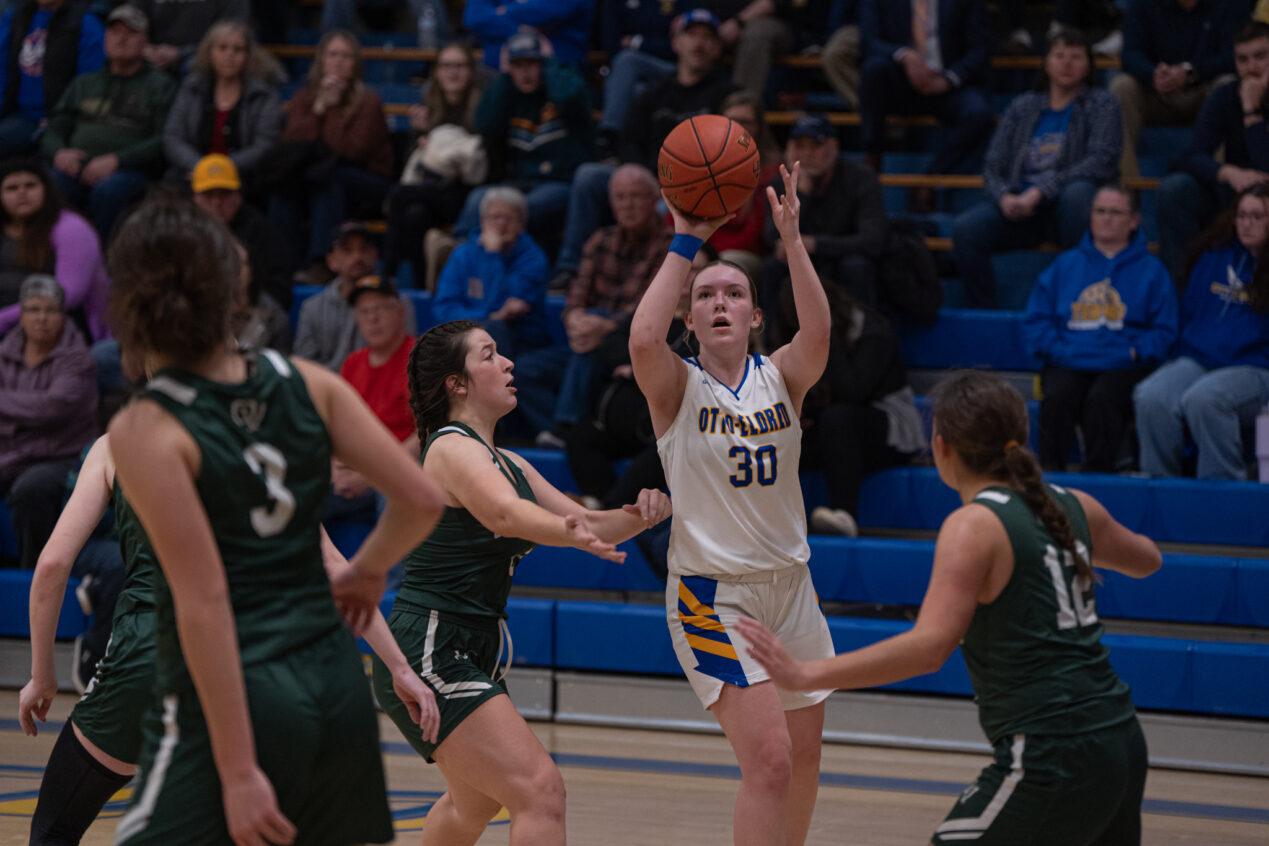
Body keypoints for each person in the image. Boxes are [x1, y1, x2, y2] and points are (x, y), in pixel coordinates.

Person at [103, 195, 446, 845]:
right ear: (231, 284)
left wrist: (236, 771)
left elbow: (204, 601)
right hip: (331, 683)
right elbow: (421, 500)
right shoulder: (308, 381)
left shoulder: (146, 427)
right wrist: (369, 572)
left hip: (236, 691)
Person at [738, 369, 1163, 846]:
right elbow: (1148, 560)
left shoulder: (973, 526)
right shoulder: (1072, 504)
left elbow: (928, 648)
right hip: (1122, 740)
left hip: (1052, 749)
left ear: (941, 448)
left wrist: (806, 675)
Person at [370, 318, 671, 844]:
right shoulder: (449, 447)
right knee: (539, 791)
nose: (508, 363)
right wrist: (569, 529)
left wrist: (646, 512)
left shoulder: (507, 461)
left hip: (468, 645)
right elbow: (505, 517)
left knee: (475, 801)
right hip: (431, 646)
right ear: (457, 385)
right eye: (489, 356)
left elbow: (593, 523)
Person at [628, 162, 835, 846]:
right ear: (690, 318)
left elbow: (819, 336)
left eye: (734, 293)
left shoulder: (783, 376)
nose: (719, 302)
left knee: (803, 760)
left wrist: (792, 242)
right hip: (712, 598)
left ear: (753, 314)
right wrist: (685, 242)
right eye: (706, 295)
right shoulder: (675, 387)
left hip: (791, 590)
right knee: (769, 762)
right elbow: (639, 339)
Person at [17, 434, 152, 845]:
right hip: (247, 656)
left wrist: (42, 674)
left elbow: (53, 563)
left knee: (53, 831)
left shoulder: (119, 444)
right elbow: (327, 563)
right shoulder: (257, 443)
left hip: (152, 649)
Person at [551, 8, 735, 290]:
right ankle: (569, 268)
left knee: (663, 206)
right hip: (648, 177)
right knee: (588, 176)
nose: (698, 43)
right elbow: (629, 140)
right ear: (675, 42)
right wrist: (640, 176)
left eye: (707, 37)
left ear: (718, 47)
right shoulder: (655, 91)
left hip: (690, 188)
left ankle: (654, 280)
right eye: (691, 35)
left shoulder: (725, 93)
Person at [952, 27, 1122, 308]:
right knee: (965, 229)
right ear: (1047, 62)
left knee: (1079, 193)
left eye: (1076, 57)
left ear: (1089, 65)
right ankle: (984, 311)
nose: (1067, 63)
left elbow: (1101, 161)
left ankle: (1078, 303)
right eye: (1060, 55)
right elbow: (992, 166)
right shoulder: (1023, 107)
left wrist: (1042, 191)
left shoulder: (1102, 104)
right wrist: (1005, 197)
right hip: (1022, 210)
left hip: (1068, 212)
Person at [514, 163, 672, 447]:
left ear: (654, 200)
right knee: (523, 369)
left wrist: (607, 326)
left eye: (636, 196)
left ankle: (567, 426)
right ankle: (560, 432)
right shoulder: (600, 240)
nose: (628, 204)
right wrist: (575, 317)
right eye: (620, 197)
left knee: (592, 339)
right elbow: (576, 296)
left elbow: (653, 305)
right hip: (587, 345)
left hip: (631, 347)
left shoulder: (668, 245)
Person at [1023, 184, 1178, 472]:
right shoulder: (1064, 265)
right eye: (1100, 211)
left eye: (1116, 212)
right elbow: (1036, 322)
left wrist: (1136, 352)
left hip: (1122, 364)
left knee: (1102, 400)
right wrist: (1059, 350)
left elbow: (1165, 330)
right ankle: (1046, 481)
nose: (1106, 218)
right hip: (1068, 359)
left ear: (1133, 220)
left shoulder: (1153, 271)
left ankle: (1099, 482)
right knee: (1057, 397)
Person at [1133, 184, 1269, 479]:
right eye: (1242, 215)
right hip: (1199, 359)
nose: (1246, 224)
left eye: (1257, 216)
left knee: (1205, 399)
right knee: (1150, 395)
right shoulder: (1213, 257)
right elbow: (1191, 312)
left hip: (1255, 367)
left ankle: (1220, 491)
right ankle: (1160, 487)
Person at [774, 283, 925, 538]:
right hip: (838, 431)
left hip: (891, 431)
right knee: (784, 436)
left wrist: (824, 333)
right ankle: (761, 518)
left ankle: (844, 514)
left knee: (838, 418)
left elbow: (853, 391)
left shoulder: (872, 330)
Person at [41, 3, 175, 239]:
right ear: (105, 39)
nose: (121, 39)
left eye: (131, 33)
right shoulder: (84, 83)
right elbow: (55, 126)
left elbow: (164, 139)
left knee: (109, 191)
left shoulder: (161, 86)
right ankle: (51, 258)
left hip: (130, 171)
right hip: (77, 166)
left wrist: (117, 161)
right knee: (49, 183)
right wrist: (60, 153)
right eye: (115, 32)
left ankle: (102, 261)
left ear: (146, 41)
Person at [268, 29, 394, 277]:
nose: (338, 61)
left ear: (355, 64)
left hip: (369, 181)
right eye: (333, 54)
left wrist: (332, 108)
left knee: (329, 176)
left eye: (346, 56)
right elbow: (292, 146)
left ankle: (321, 263)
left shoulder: (369, 100)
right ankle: (284, 264)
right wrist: (319, 107)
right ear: (322, 60)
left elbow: (349, 151)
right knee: (284, 185)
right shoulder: (304, 96)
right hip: (319, 177)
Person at [450, 32, 592, 250]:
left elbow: (568, 97)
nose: (525, 72)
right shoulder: (508, 93)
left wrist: (550, 64)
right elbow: (485, 124)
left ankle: (485, 255)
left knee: (516, 210)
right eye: (517, 65)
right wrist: (505, 77)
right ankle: (456, 253)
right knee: (478, 199)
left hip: (561, 182)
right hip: (519, 182)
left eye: (532, 63)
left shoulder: (564, 84)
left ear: (542, 64)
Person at [1157, 21, 1269, 283]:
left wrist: (1252, 111)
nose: (1251, 67)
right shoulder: (1226, 96)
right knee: (1175, 189)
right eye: (1242, 59)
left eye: (1261, 57)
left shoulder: (1245, 99)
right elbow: (1191, 154)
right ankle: (1182, 294)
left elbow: (1265, 167)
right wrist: (1227, 172)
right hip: (1234, 197)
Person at [1, 274, 96, 571]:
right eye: (33, 309)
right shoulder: (4, 353)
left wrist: (7, 415)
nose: (42, 318)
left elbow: (52, 409)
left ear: (63, 316)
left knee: (33, 487)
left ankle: (35, 576)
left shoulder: (78, 359)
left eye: (51, 310)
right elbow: (39, 411)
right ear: (21, 315)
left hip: (62, 457)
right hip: (12, 454)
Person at [858, 0, 995, 206]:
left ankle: (931, 177)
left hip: (948, 86)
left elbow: (980, 51)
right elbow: (869, 41)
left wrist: (948, 80)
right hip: (903, 83)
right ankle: (872, 157)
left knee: (979, 113)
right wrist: (904, 55)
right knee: (873, 70)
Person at [382, 40, 488, 285]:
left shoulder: (483, 109)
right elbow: (417, 162)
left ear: (471, 71)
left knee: (400, 195)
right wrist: (417, 135)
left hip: (467, 191)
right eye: (446, 65)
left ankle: (387, 275)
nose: (453, 72)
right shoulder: (430, 106)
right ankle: (423, 287)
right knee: (415, 216)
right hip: (432, 189)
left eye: (460, 66)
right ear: (437, 72)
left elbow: (483, 164)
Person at [1109, 0, 1250, 179]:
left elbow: (1233, 56)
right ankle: (1124, 192)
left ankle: (1221, 185)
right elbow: (1129, 54)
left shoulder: (1229, 5)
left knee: (1227, 84)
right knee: (1122, 86)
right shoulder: (1143, 5)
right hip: (1156, 93)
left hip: (1206, 92)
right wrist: (1152, 74)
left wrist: (1191, 72)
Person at [760, 113, 886, 309]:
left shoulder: (861, 178)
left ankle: (862, 335)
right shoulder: (779, 183)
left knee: (856, 267)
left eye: (815, 145)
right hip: (804, 261)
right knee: (773, 267)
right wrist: (801, 192)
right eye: (800, 146)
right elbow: (771, 237)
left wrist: (815, 245)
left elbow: (872, 240)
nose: (807, 153)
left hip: (843, 258)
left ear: (834, 147)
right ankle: (771, 339)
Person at [434, 186, 552, 359]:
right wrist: (487, 317)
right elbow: (444, 310)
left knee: (494, 331)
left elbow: (496, 303)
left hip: (520, 344)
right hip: (467, 338)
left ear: (521, 225)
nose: (501, 224)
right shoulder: (462, 255)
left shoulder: (533, 259)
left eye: (509, 218)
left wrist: (491, 255)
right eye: (495, 217)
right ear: (482, 221)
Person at [162, 20, 283, 188]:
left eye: (238, 49)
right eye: (222, 48)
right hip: (193, 172)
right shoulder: (192, 87)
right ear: (209, 52)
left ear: (248, 55)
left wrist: (220, 170)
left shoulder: (263, 95)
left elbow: (264, 145)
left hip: (242, 176)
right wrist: (201, 168)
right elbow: (173, 137)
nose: (230, 55)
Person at [0, 157, 109, 340]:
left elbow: (69, 294)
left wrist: (3, 320)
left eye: (30, 185)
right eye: (12, 188)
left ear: (46, 189)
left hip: (51, 329)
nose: (22, 193)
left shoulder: (71, 227)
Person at [293, 221, 418, 371]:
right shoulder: (312, 308)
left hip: (381, 389)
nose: (357, 257)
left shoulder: (397, 302)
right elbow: (303, 368)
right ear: (331, 261)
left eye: (364, 249)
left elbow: (406, 360)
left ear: (375, 255)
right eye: (347, 250)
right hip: (326, 390)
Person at [0, 0, 104, 158]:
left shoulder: (86, 23)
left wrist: (65, 123)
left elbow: (90, 84)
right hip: (21, 117)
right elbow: (2, 71)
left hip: (62, 121)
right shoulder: (15, 19)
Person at [190, 153, 292, 309]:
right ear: (195, 198)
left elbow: (280, 290)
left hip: (249, 314)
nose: (216, 203)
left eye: (224, 194)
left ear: (238, 196)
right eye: (208, 195)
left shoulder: (260, 230)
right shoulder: (186, 232)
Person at [462, 0, 593, 70]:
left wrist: (503, 12)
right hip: (498, 79)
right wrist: (527, 30)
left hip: (557, 76)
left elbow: (552, 10)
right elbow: (475, 19)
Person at [131, 0, 249, 74]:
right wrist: (145, 47)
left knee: (194, 65)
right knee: (121, 53)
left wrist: (180, 53)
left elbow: (235, 33)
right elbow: (131, 18)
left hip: (202, 55)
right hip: (152, 54)